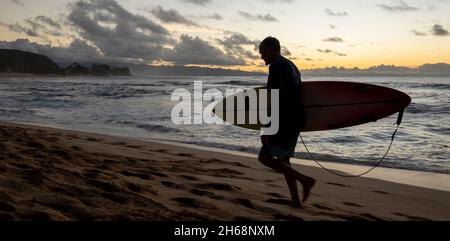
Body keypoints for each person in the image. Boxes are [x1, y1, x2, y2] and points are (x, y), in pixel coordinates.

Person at [258, 36, 315, 208]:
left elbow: (276, 99)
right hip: (296, 118)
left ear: (272, 49)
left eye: (263, 52)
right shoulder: (291, 65)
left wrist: (267, 128)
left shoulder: (276, 66)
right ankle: (295, 201)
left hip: (285, 120)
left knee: (265, 157)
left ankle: (305, 180)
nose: (261, 57)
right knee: (284, 160)